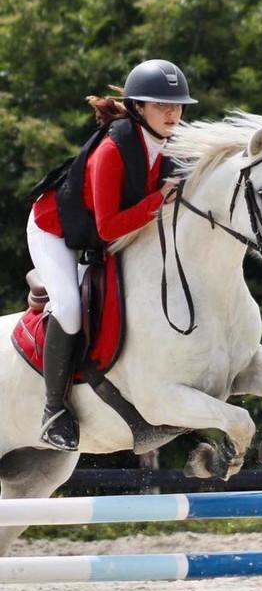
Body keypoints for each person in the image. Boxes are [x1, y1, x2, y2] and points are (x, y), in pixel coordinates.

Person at [28, 59, 197, 452]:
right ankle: (53, 411)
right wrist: (160, 199)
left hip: (98, 235)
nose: (172, 113)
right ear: (138, 107)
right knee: (69, 308)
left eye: (177, 105)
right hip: (55, 232)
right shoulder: (112, 150)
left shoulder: (171, 146)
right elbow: (108, 227)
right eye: (161, 104)